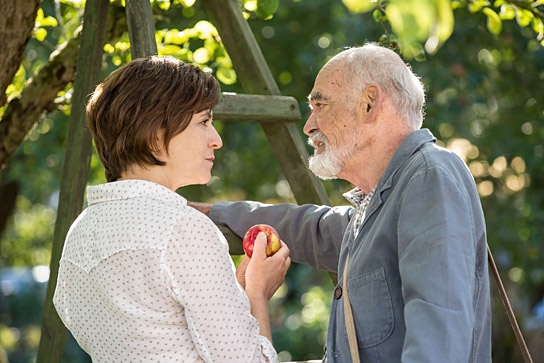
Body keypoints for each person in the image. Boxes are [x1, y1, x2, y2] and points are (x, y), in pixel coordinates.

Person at [189, 43, 492, 362]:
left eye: (320, 105)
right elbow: (313, 229)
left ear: (370, 104)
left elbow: (438, 348)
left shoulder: (429, 177)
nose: (309, 125)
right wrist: (209, 213)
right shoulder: (383, 201)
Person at [53, 56, 291, 362]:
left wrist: (234, 292)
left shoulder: (81, 232)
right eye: (204, 122)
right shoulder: (182, 228)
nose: (216, 140)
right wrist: (257, 294)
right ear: (154, 135)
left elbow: (155, 329)